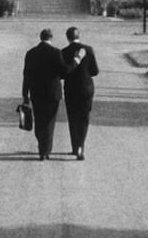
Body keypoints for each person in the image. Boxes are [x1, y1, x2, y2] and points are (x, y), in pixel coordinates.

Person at [22, 28, 84, 160]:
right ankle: (46, 151)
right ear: (51, 38)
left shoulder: (31, 53)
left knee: (39, 120)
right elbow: (65, 71)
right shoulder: (56, 52)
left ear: (40, 38)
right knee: (49, 122)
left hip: (36, 92)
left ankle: (42, 148)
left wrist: (25, 94)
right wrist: (76, 60)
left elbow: (26, 75)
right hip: (52, 93)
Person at [61, 27, 99, 161]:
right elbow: (95, 71)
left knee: (72, 118)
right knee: (84, 118)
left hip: (71, 89)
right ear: (80, 35)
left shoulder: (64, 52)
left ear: (67, 38)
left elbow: (63, 73)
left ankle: (74, 146)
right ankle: (80, 147)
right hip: (86, 88)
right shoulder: (88, 49)